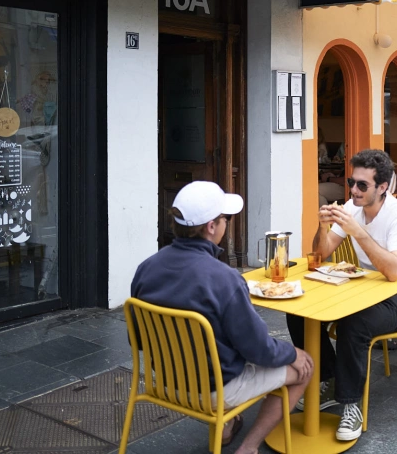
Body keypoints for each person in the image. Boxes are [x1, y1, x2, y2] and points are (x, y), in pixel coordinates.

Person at [131, 182, 313, 454]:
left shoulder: (146, 268)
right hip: (214, 391)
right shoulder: (224, 278)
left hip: (165, 383)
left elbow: (139, 340)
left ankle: (226, 429)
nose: (227, 224)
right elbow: (258, 349)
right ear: (211, 227)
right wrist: (292, 353)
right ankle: (248, 448)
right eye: (225, 219)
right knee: (304, 367)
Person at [288, 149, 397, 442]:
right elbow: (318, 256)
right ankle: (328, 378)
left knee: (356, 325)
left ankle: (351, 404)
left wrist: (359, 233)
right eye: (352, 182)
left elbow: (394, 272)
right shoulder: (353, 208)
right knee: (298, 311)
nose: (353, 190)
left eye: (362, 185)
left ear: (382, 187)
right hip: (369, 289)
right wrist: (323, 225)